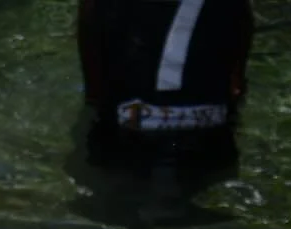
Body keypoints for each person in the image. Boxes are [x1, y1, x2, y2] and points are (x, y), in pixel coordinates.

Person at [76, 0, 253, 168]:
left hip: (121, 139)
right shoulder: (237, 7)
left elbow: (94, 93)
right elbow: (236, 86)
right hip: (210, 145)